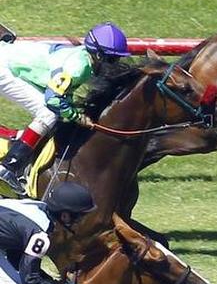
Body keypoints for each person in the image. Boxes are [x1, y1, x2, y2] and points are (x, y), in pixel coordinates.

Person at [0, 22, 131, 196]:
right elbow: (53, 99)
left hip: (9, 61)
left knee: (54, 116)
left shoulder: (84, 60)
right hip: (4, 68)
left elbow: (60, 93)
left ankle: (21, 157)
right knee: (48, 112)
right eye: (113, 59)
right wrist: (77, 117)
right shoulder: (79, 67)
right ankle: (9, 166)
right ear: (99, 55)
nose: (115, 65)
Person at [0, 182, 97, 284]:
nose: (80, 222)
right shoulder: (40, 234)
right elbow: (29, 281)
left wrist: (51, 282)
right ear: (64, 216)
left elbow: (16, 258)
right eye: (79, 217)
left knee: (14, 279)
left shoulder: (36, 206)